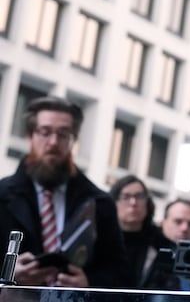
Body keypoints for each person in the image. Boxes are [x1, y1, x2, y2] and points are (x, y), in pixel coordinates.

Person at [0, 96, 132, 288]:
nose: (53, 142)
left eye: (63, 134)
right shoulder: (2, 196)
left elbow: (121, 274)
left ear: (73, 140)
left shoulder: (100, 203)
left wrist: (89, 283)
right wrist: (8, 274)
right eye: (45, 132)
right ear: (30, 136)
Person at [109, 175, 180, 289]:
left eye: (139, 196)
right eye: (126, 197)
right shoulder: (101, 240)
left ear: (148, 202)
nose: (133, 202)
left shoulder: (163, 246)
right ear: (114, 202)